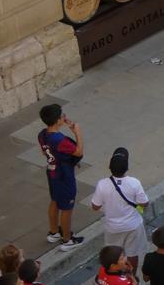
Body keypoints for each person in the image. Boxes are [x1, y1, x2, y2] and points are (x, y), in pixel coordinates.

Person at [91, 147, 149, 274]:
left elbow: (95, 206)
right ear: (126, 167)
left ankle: (112, 276)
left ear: (110, 167)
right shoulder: (134, 183)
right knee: (132, 253)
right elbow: (144, 203)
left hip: (112, 228)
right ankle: (132, 277)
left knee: (112, 255)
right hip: (133, 226)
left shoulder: (102, 184)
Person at [36, 103, 84, 251]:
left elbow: (46, 153)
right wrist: (77, 132)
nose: (64, 117)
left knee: (55, 200)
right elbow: (78, 152)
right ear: (57, 121)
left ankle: (53, 232)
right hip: (64, 175)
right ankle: (67, 239)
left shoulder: (42, 134)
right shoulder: (60, 140)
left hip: (52, 172)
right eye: (62, 115)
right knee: (67, 207)